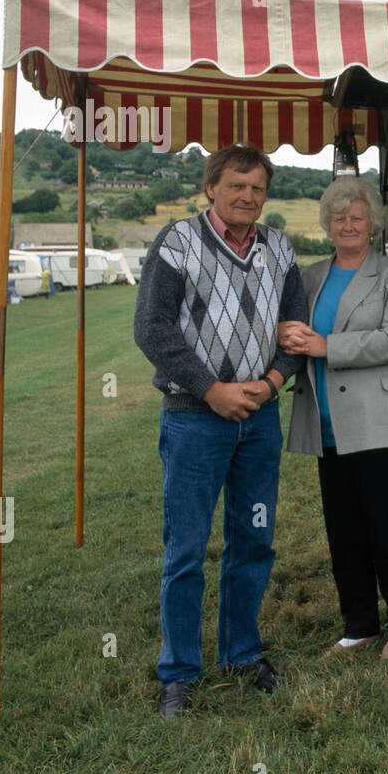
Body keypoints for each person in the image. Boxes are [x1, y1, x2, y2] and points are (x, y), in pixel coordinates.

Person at [134, 143, 307, 717]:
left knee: (253, 539)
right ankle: (179, 673)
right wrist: (213, 390)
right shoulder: (177, 243)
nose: (248, 197)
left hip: (258, 422)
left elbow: (295, 329)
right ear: (211, 187)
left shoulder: (279, 246)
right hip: (194, 419)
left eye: (257, 187)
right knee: (185, 547)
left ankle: (242, 652)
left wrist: (275, 380)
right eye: (236, 185)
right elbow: (153, 329)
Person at [279, 177, 388, 662]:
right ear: (327, 224)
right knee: (345, 535)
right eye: (338, 217)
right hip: (327, 428)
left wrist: (325, 346)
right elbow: (292, 331)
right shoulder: (310, 276)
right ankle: (358, 627)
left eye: (356, 217)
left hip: (383, 425)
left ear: (373, 225)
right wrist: (289, 335)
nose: (347, 224)